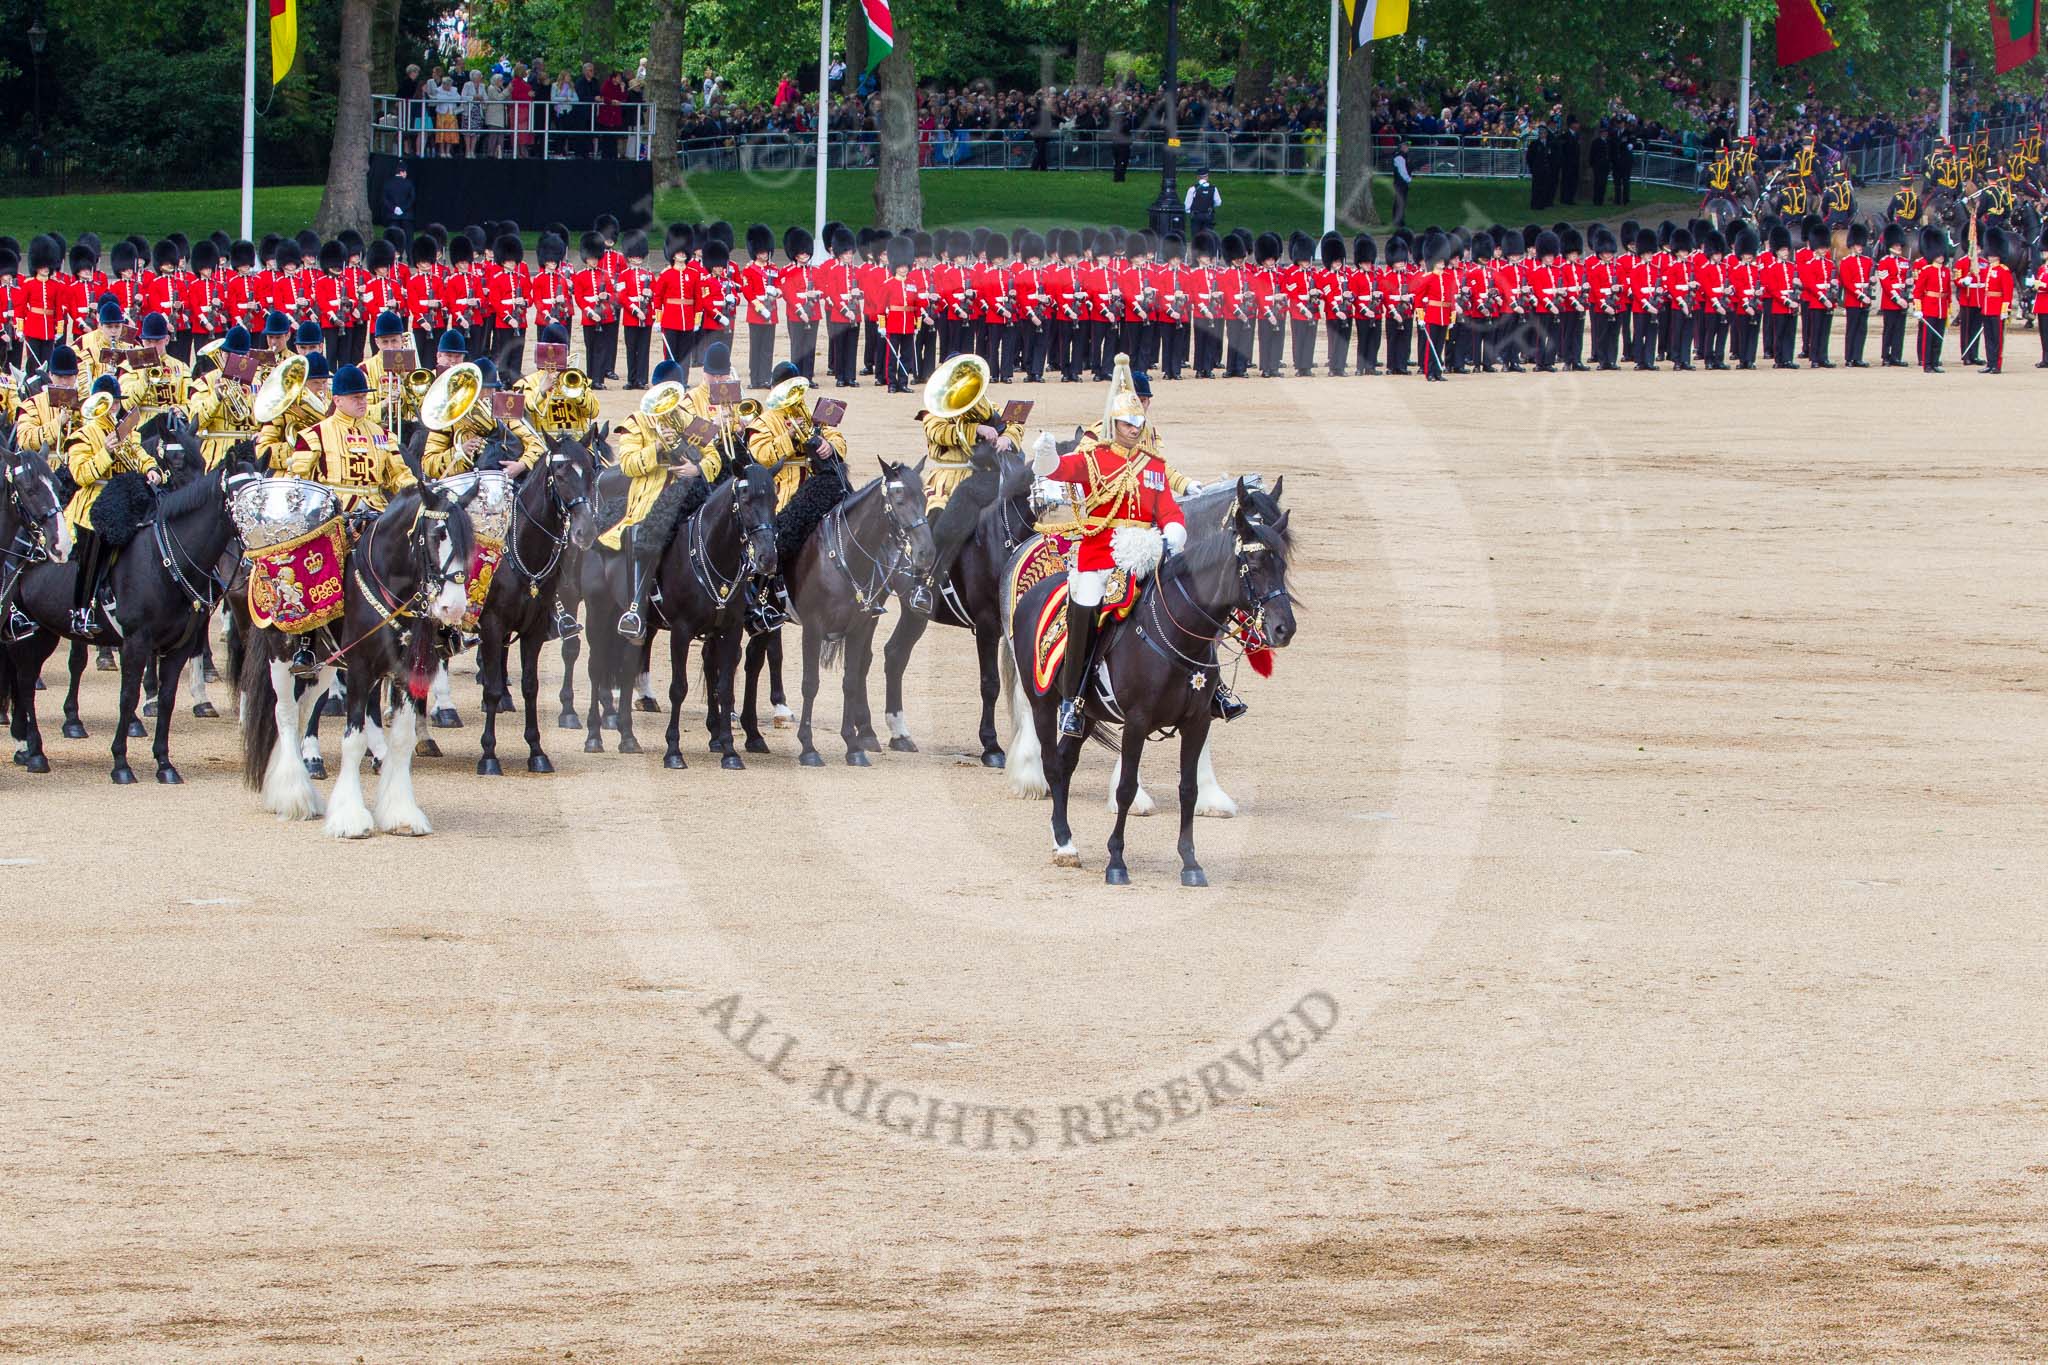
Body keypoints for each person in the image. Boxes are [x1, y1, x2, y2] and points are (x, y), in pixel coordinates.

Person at [1030, 354, 1186, 740]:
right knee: (1084, 604)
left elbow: (1168, 509)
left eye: (1138, 422)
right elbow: (1060, 471)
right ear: (1114, 423)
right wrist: (1047, 455)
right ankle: (1073, 697)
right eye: (1128, 423)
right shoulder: (1094, 457)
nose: (1134, 429)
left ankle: (1206, 685)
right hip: (1099, 554)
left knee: (1189, 598)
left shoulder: (1152, 464)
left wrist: (1173, 534)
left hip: (1145, 553)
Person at [64, 376, 163, 634]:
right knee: (95, 546)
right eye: (107, 404)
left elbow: (139, 454)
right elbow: (81, 475)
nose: (112, 409)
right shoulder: (82, 436)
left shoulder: (124, 430)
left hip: (126, 497)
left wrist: (151, 468)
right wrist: (105, 452)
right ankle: (82, 610)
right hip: (95, 501)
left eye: (115, 403)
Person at [597, 68, 626, 159]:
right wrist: (611, 101)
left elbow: (623, 98)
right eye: (618, 77)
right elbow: (602, 96)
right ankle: (605, 155)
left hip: (616, 115)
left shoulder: (619, 86)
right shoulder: (607, 84)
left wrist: (622, 89)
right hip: (607, 114)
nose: (620, 79)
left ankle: (613, 155)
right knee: (606, 137)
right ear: (613, 78)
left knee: (614, 137)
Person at [1389, 142, 1413, 227]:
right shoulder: (1399, 157)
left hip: (1401, 182)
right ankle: (1398, 221)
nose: (1407, 148)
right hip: (1400, 183)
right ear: (1401, 147)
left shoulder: (1403, 157)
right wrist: (1408, 179)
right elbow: (1402, 171)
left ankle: (1399, 220)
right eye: (1405, 146)